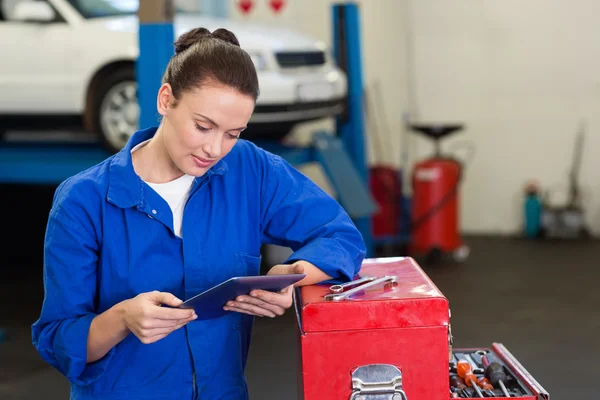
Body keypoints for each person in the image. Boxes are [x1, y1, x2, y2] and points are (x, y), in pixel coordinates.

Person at [31, 27, 366, 399]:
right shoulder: (83, 202)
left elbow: (340, 236)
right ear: (165, 100)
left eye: (233, 133)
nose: (215, 148)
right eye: (203, 126)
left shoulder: (250, 170)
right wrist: (122, 318)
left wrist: (295, 274)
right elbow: (58, 340)